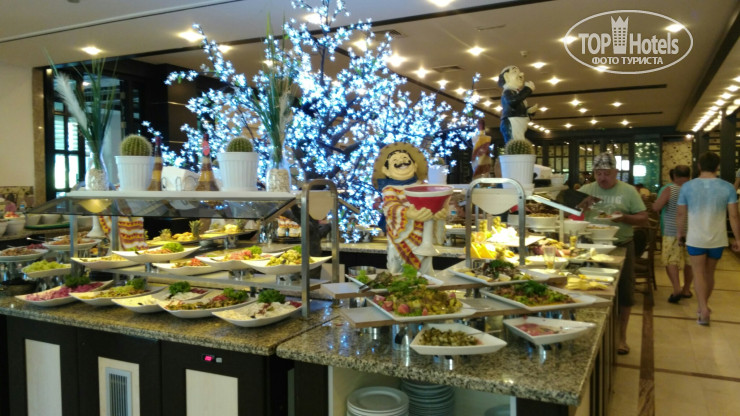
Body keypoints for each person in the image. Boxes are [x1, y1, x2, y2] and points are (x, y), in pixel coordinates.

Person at [578, 152, 648, 355]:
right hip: (590, 246)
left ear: (616, 172)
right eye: (598, 173)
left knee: (625, 293)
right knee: (588, 290)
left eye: (607, 173)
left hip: (621, 245)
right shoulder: (586, 190)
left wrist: (624, 217)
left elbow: (643, 217)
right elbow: (568, 215)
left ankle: (621, 337)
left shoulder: (628, 191)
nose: (602, 178)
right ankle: (591, 335)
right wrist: (580, 208)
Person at [676, 152, 740, 326]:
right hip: (717, 239)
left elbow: (681, 214)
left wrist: (680, 233)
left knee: (698, 273)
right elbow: (734, 216)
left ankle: (703, 308)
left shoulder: (687, 187)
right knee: (710, 273)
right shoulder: (728, 187)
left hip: (695, 238)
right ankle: (703, 306)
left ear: (699, 166)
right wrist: (738, 239)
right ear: (717, 166)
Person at [372, 143, 446, 276]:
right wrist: (407, 213)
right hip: (400, 240)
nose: (401, 162)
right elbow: (390, 206)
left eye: (405, 159)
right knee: (398, 271)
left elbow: (435, 205)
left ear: (415, 165)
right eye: (395, 161)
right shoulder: (389, 189)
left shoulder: (424, 187)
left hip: (424, 237)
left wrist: (439, 213)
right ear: (386, 171)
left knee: (425, 271)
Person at [652, 165, 693, 303]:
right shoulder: (694, 189)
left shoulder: (670, 189)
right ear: (689, 176)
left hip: (672, 230)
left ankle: (676, 289)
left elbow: (657, 207)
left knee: (671, 260)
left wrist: (655, 204)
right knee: (690, 262)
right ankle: (686, 289)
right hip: (692, 231)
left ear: (674, 175)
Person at [497, 65, 537, 144]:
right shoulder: (508, 92)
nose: (521, 74)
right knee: (515, 144)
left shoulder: (516, 92)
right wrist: (527, 90)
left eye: (520, 72)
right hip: (512, 122)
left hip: (517, 122)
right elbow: (512, 101)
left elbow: (517, 105)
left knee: (518, 143)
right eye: (515, 71)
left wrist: (528, 111)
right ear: (506, 77)